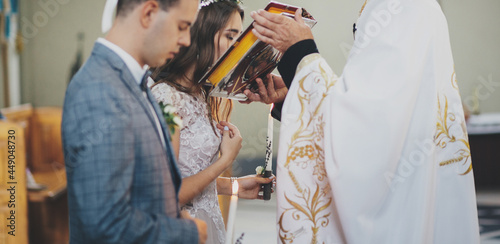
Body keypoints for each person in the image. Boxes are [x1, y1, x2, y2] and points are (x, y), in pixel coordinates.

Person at [246, 0, 480, 243]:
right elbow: (369, 110)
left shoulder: (404, 6)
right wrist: (296, 92)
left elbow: (366, 131)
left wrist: (300, 50)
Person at [61, 0, 207, 243]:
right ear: (149, 13)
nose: (186, 41)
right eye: (182, 26)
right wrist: (187, 233)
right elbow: (104, 226)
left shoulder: (131, 80)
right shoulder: (100, 90)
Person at [150, 1, 273, 243]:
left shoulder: (200, 94)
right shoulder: (165, 99)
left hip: (207, 224)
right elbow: (168, 196)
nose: (238, 49)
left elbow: (191, 176)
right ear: (201, 35)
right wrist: (225, 160)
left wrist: (234, 185)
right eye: (230, 37)